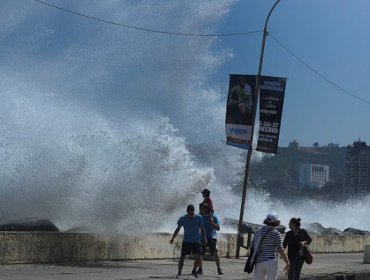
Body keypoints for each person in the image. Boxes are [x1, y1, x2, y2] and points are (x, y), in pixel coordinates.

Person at [170, 204, 207, 279]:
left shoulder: (199, 218)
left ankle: (194, 270)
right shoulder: (183, 218)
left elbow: (202, 228)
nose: (190, 214)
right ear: (187, 211)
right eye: (189, 213)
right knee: (182, 257)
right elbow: (178, 229)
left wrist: (205, 238)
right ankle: (179, 273)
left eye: (192, 213)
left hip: (196, 240)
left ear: (194, 211)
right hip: (187, 240)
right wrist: (173, 238)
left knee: (199, 255)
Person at [250, 213, 290, 280]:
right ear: (276, 222)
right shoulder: (276, 233)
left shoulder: (258, 231)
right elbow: (280, 249)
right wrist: (287, 262)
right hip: (271, 261)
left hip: (259, 262)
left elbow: (252, 246)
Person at [196, 203, 223, 276]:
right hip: (202, 237)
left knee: (215, 252)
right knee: (199, 253)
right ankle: (200, 269)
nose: (199, 209)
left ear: (205, 209)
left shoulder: (213, 217)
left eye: (201, 208)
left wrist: (212, 223)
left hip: (211, 237)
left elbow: (218, 228)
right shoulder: (199, 217)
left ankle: (219, 268)